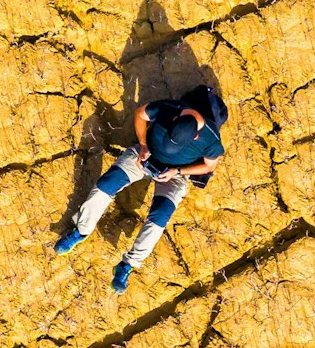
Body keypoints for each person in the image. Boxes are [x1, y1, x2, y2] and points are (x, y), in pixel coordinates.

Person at [54, 89, 226, 293]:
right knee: (106, 185)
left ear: (196, 137)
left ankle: (127, 265)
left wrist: (177, 171)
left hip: (174, 176)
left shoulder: (212, 140)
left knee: (159, 219)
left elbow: (209, 166)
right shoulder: (169, 108)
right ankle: (80, 231)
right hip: (143, 157)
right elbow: (140, 114)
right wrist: (144, 145)